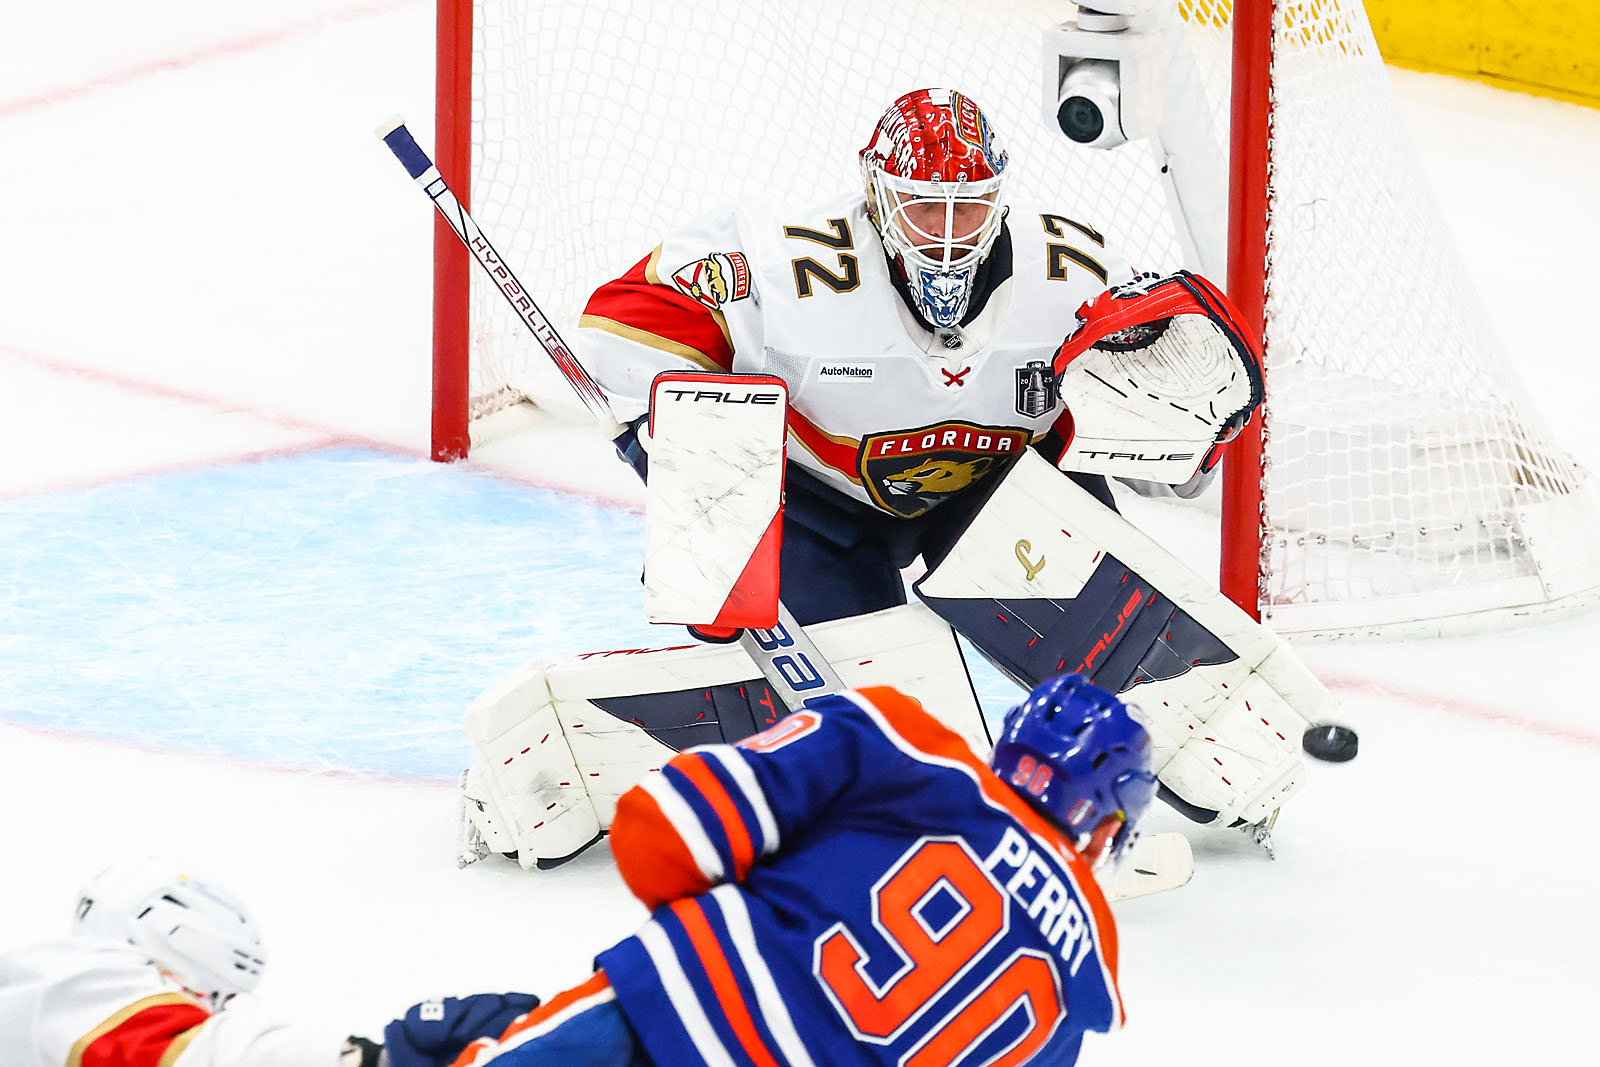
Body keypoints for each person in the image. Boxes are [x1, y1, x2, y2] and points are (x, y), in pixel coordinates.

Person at [578, 87, 1146, 626]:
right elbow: (623, 323)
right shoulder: (781, 264)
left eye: (968, 207)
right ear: (877, 194)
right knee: (862, 674)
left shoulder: (1078, 273)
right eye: (922, 205)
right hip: (817, 503)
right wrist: (693, 474)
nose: (946, 234)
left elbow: (1161, 385)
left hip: (998, 490)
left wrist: (1174, 413)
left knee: (1100, 643)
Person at [441, 673, 1157, 1066]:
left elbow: (669, 825)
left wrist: (702, 947)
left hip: (682, 1017)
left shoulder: (911, 746)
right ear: (1109, 818)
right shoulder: (1082, 987)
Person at [0, 856, 535, 1067]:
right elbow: (198, 1056)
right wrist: (370, 1061)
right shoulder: (68, 978)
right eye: (212, 998)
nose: (209, 1013)